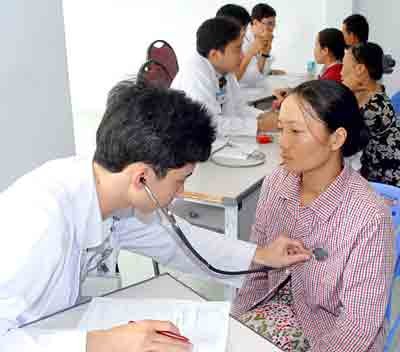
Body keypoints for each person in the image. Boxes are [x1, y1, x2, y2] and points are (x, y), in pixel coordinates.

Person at [0, 83, 311, 352]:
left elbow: (178, 242)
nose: (180, 192)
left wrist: (261, 256)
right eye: (180, 180)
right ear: (142, 178)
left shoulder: (110, 193)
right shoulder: (39, 223)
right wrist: (105, 342)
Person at [232, 80, 394, 351]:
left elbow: (357, 328)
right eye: (282, 129)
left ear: (337, 138)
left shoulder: (370, 218)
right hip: (275, 308)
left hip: (332, 333)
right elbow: (256, 269)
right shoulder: (277, 183)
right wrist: (235, 325)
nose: (282, 143)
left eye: (296, 131)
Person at [172, 17, 278, 136]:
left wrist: (263, 116)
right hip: (184, 142)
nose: (242, 56)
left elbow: (238, 108)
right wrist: (260, 125)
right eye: (238, 49)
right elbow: (209, 123)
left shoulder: (224, 69)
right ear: (215, 54)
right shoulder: (194, 74)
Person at [341, 41, 400, 186]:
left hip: (386, 184)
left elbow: (345, 145)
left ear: (360, 69)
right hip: (372, 174)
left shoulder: (374, 109)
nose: (341, 72)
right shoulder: (371, 93)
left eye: (344, 66)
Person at [238, 3, 285, 86]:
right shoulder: (241, 40)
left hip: (257, 88)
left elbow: (260, 73)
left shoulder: (261, 38)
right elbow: (247, 76)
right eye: (269, 23)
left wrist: (269, 70)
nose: (272, 28)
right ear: (255, 22)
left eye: (273, 24)